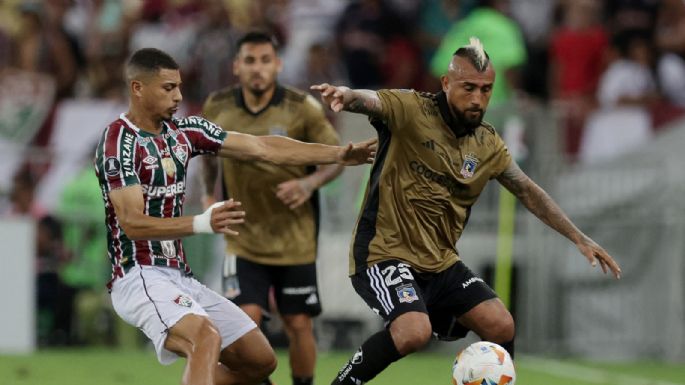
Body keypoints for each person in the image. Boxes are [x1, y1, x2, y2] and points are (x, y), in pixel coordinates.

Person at [310, 37, 622, 385]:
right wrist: (347, 94)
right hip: (383, 253)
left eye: (486, 90)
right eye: (468, 88)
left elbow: (527, 190)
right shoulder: (411, 109)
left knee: (501, 324)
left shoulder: (487, 143)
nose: (477, 99)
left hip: (440, 263)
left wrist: (577, 237)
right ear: (446, 83)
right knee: (413, 331)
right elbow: (371, 100)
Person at [94, 47, 376, 385]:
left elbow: (264, 147)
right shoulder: (119, 141)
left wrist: (340, 154)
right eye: (168, 88)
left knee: (259, 361)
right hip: (137, 275)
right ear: (138, 88)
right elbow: (132, 224)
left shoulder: (183, 133)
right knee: (206, 338)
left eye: (179, 87)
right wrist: (203, 222)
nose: (179, 96)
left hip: (179, 276)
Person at [201, 31, 343, 385]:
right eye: (249, 61)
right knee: (244, 324)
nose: (257, 69)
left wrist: (308, 184)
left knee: (298, 323)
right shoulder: (217, 107)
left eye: (265, 61)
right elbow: (205, 155)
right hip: (242, 237)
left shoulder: (301, 108)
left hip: (294, 238)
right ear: (236, 66)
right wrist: (207, 195)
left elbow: (337, 157)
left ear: (278, 65)